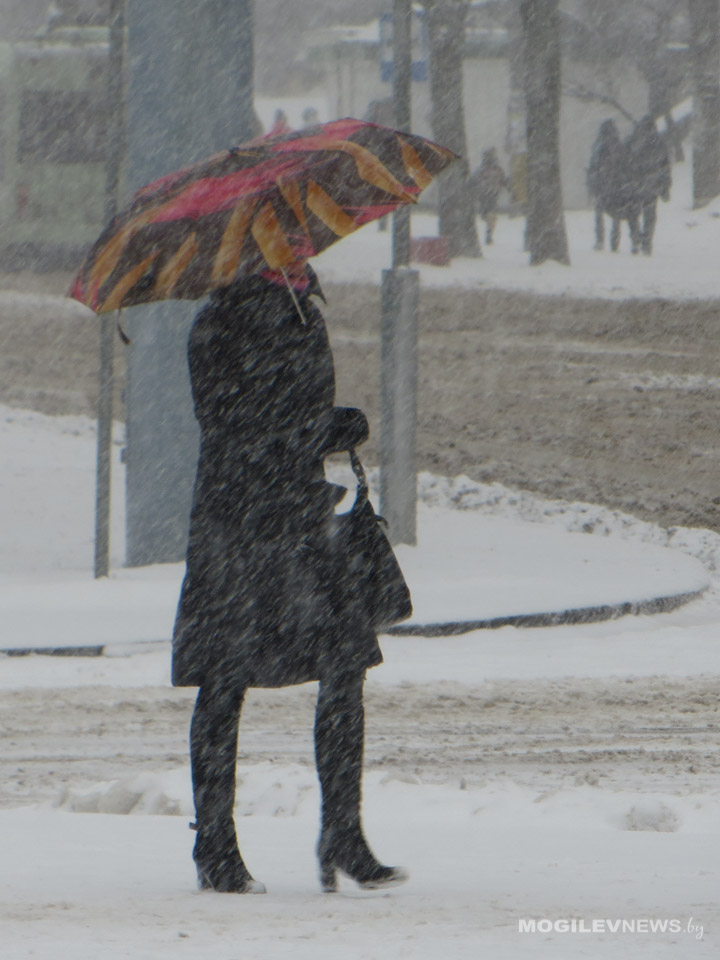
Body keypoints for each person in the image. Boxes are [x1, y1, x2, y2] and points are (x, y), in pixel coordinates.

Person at [172, 262, 409, 895]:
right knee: (224, 679)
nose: (302, 248)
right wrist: (315, 430)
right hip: (237, 521)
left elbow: (294, 409)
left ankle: (343, 834)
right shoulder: (216, 323)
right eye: (287, 238)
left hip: (302, 514)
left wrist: (328, 427)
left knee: (345, 665)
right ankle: (215, 845)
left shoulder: (306, 313)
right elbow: (227, 423)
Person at [586, 118, 638, 253]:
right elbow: (628, 166)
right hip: (616, 185)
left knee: (601, 213)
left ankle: (600, 241)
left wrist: (593, 185)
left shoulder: (599, 148)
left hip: (604, 186)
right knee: (615, 214)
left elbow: (593, 168)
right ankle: (614, 242)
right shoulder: (620, 146)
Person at [624, 114, 671, 256]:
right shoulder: (659, 143)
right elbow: (665, 167)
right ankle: (647, 241)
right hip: (653, 185)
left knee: (633, 213)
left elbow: (626, 162)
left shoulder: (633, 141)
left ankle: (636, 237)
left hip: (636, 185)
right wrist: (665, 186)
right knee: (649, 215)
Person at [469, 148, 507, 245]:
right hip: (488, 195)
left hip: (488, 195)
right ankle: (489, 231)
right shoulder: (489, 170)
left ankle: (489, 233)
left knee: (489, 215)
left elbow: (473, 181)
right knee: (489, 215)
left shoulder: (484, 170)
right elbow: (503, 181)